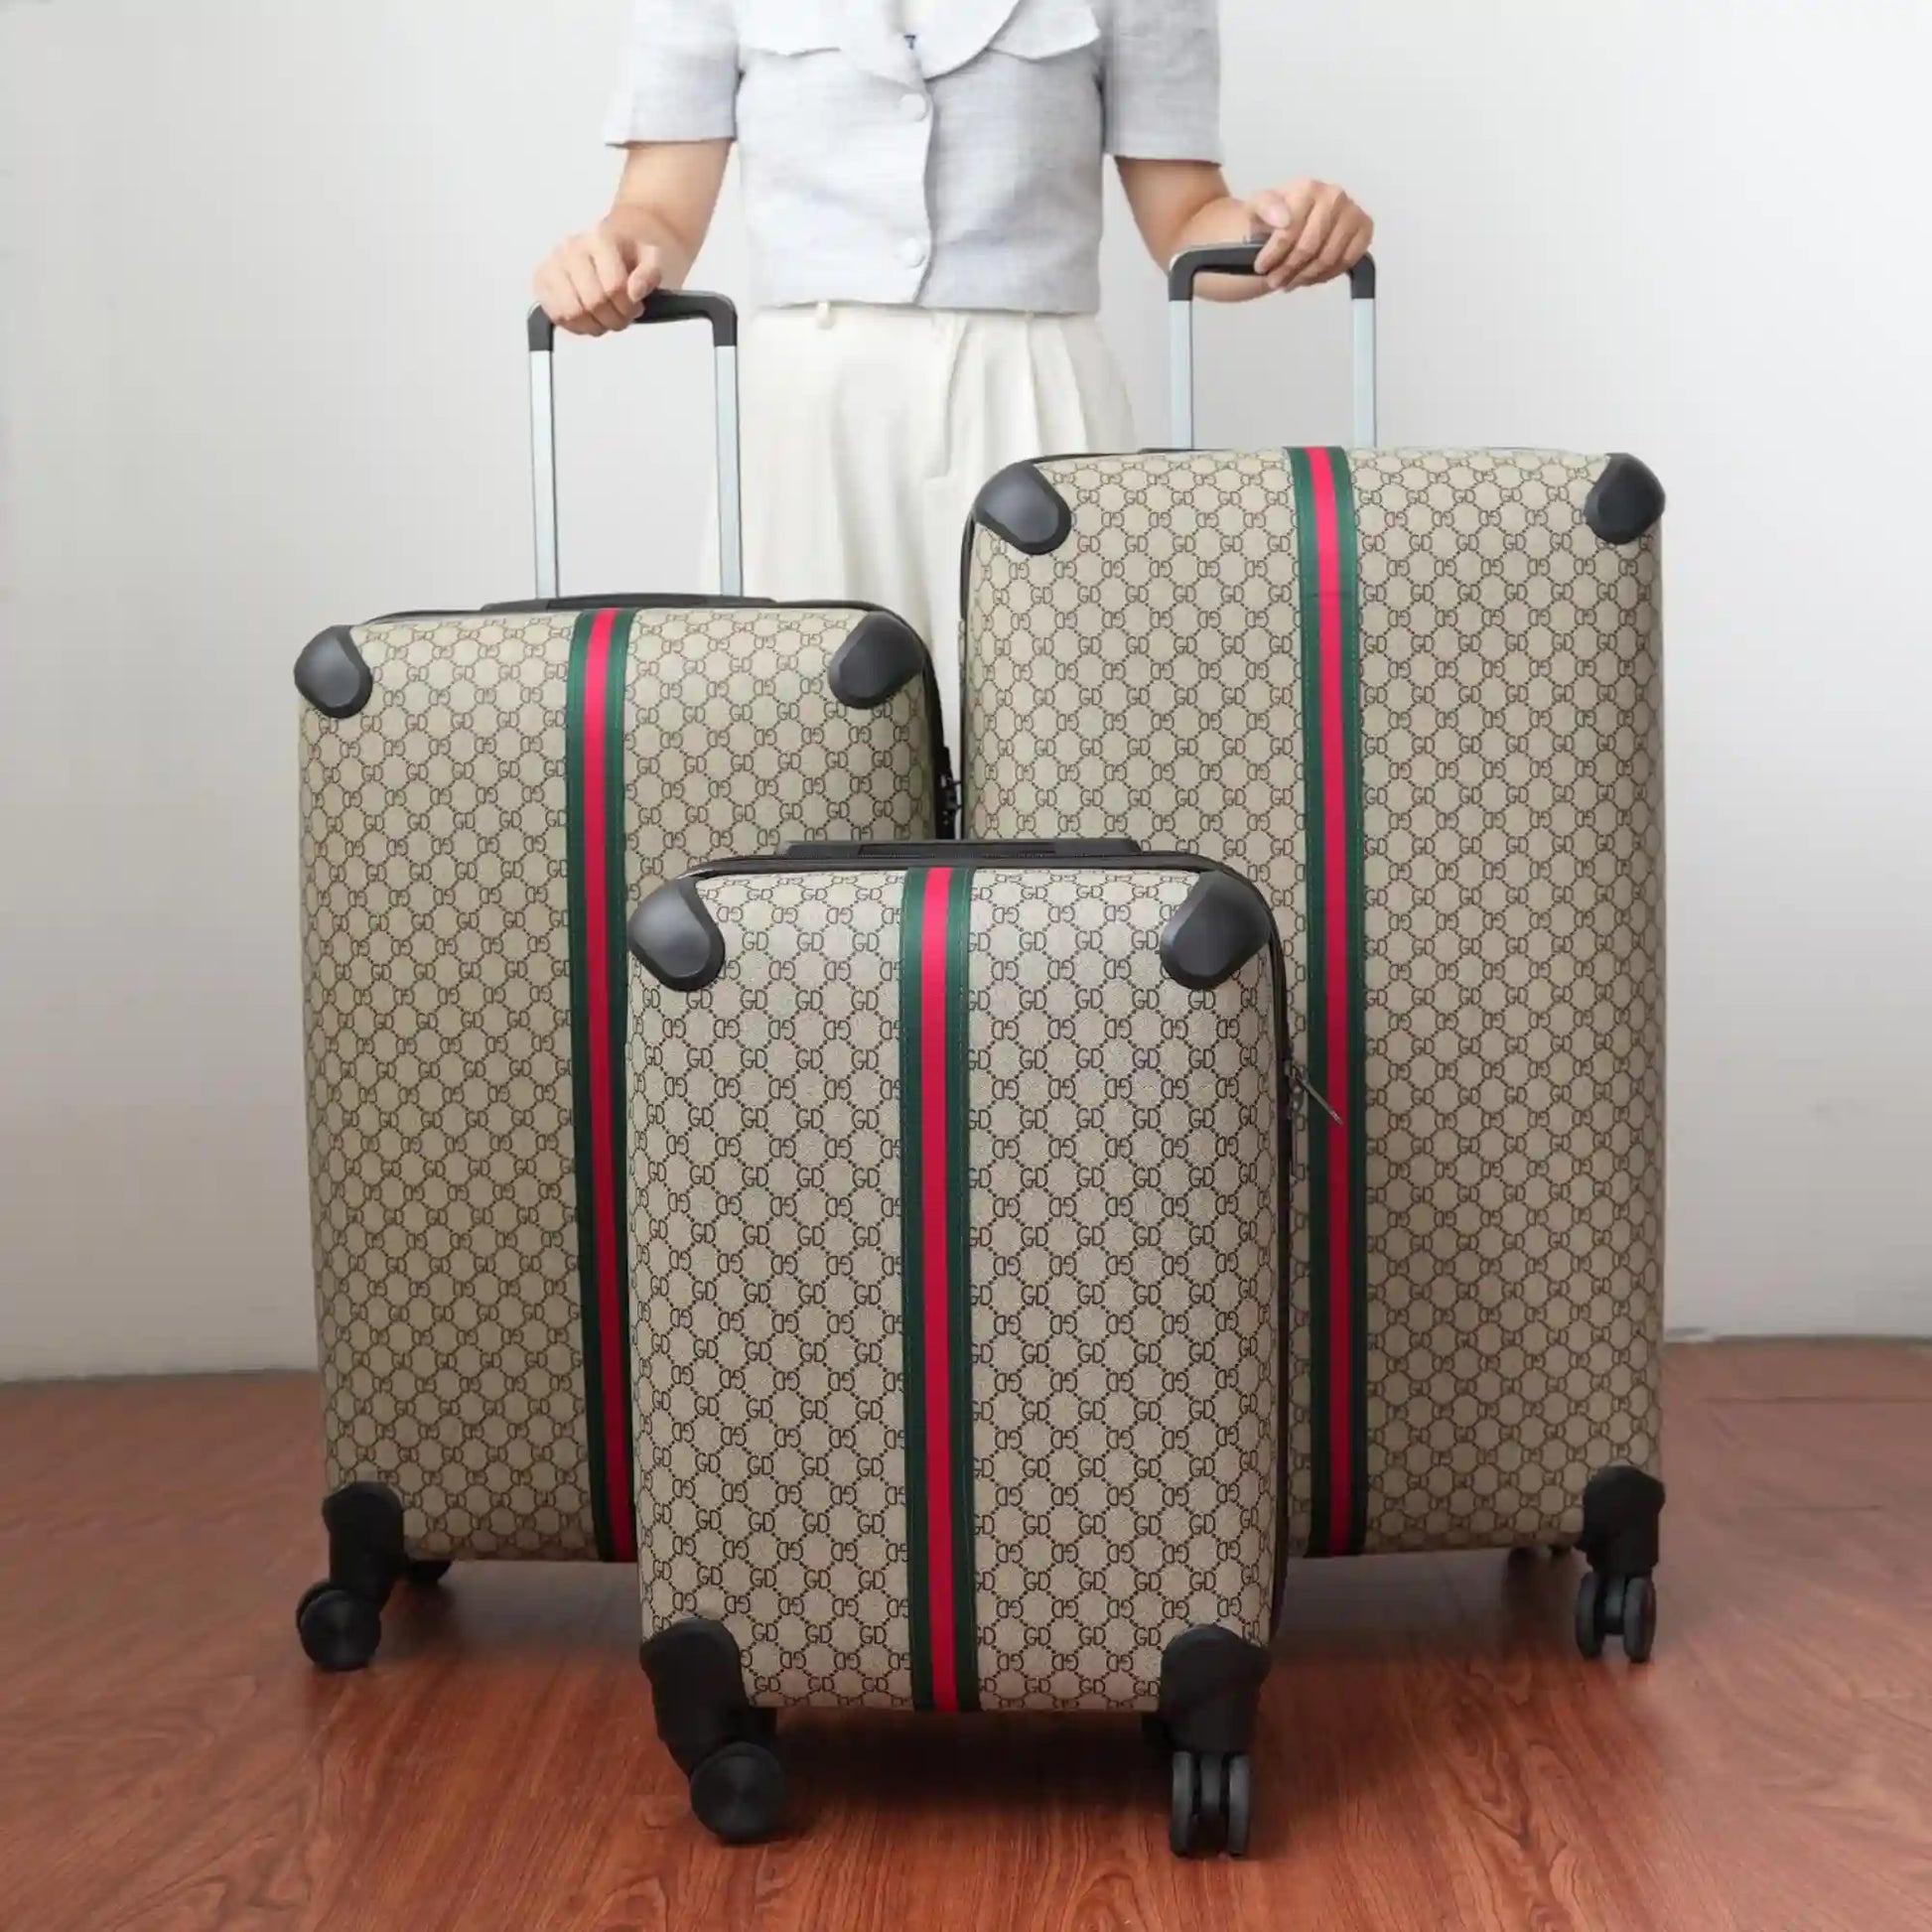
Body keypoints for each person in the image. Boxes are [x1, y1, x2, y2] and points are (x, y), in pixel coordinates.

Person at [534, 0, 1373, 742]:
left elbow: (1187, 218)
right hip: (809, 418)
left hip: (1036, 401)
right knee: (803, 752)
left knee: (1060, 751)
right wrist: (608, 259)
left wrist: (1281, 231)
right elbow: (657, 212)